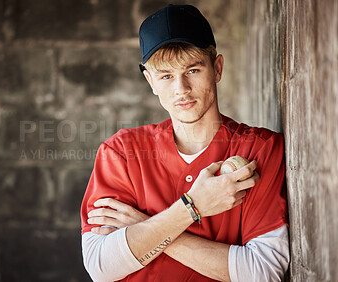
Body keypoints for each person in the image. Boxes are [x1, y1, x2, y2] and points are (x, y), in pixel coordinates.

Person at [80, 4, 289, 282]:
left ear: (217, 68)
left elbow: (263, 272)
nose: (181, 88)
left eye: (192, 70)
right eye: (166, 76)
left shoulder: (259, 149)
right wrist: (192, 207)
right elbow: (100, 266)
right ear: (150, 82)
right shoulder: (121, 152)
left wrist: (146, 227)